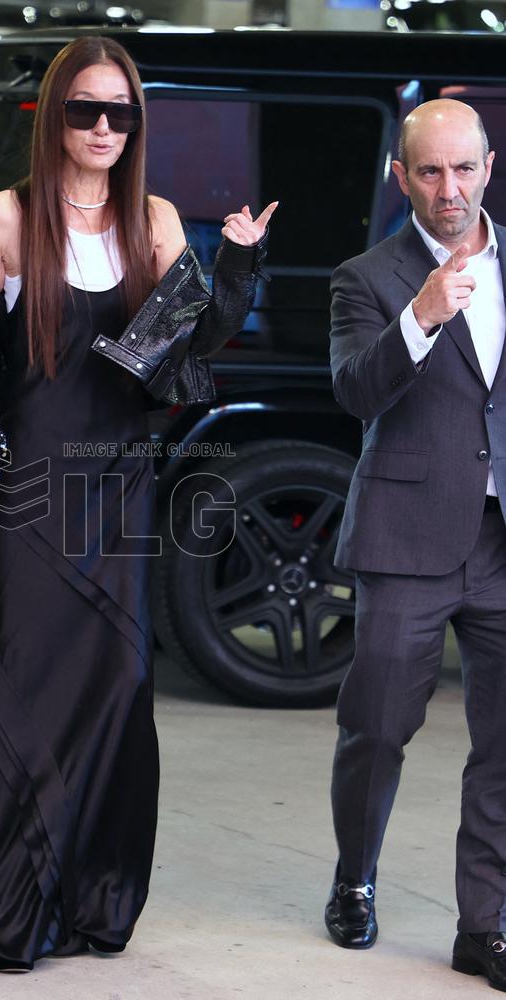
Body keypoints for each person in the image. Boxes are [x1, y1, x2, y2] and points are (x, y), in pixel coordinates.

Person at [0, 36, 274, 973]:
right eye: (85, 110)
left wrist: (238, 262)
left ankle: (92, 905)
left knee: (116, 687)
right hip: (31, 491)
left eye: (121, 112)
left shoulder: (153, 220)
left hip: (118, 488)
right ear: (54, 116)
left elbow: (197, 341)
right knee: (24, 692)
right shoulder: (8, 214)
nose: (104, 127)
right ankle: (11, 916)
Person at [324, 97, 506, 986]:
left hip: (501, 541)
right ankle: (354, 879)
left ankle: (485, 925)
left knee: (503, 744)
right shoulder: (365, 278)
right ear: (401, 178)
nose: (449, 189)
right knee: (376, 728)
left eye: (463, 168)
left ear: (488, 166)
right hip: (405, 540)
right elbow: (354, 392)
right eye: (429, 172)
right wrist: (420, 318)